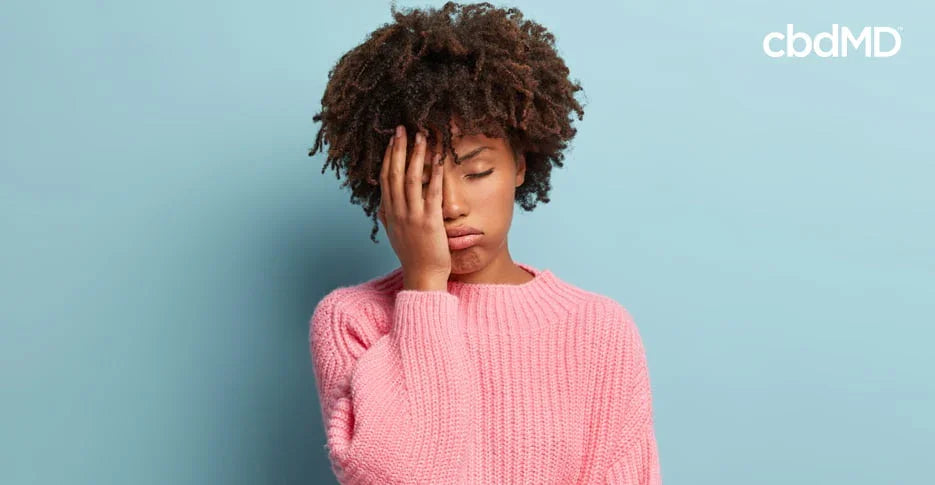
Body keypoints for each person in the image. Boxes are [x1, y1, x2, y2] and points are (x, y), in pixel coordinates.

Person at [306, 2, 661, 483]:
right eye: (423, 182)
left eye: (477, 171)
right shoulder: (353, 320)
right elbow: (397, 477)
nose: (450, 204)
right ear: (385, 186)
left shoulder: (599, 329)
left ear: (520, 164)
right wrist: (426, 284)